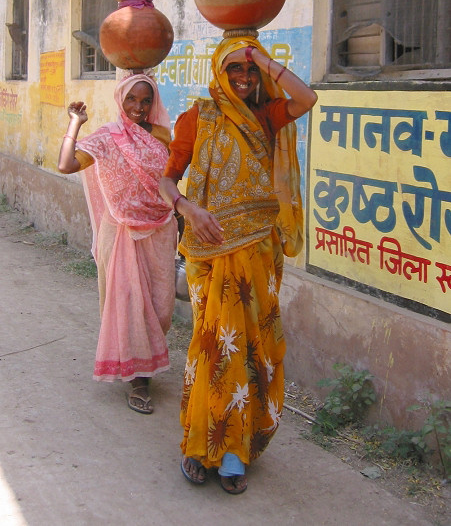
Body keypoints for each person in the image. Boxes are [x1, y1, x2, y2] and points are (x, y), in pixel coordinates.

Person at [159, 36, 317, 493]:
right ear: (218, 73)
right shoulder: (196, 118)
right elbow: (168, 178)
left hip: (258, 252)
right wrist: (189, 210)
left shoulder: (266, 116)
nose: (244, 80)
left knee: (253, 346)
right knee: (212, 345)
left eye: (250, 73)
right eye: (235, 71)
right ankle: (197, 446)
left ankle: (234, 450)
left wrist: (262, 59)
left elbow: (307, 98)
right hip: (209, 250)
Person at [58, 71, 178, 414]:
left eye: (146, 100)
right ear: (119, 100)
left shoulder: (163, 136)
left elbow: (176, 175)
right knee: (127, 301)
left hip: (160, 230)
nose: (138, 107)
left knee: (159, 306)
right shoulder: (108, 137)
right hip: (122, 232)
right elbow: (66, 164)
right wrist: (75, 124)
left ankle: (146, 358)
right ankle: (140, 379)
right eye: (131, 99)